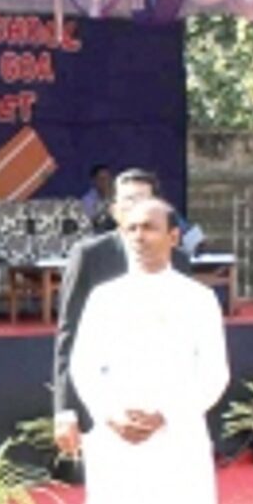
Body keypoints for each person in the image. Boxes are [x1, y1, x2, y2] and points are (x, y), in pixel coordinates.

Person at [70, 197, 229, 504]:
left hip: (175, 439)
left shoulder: (197, 300)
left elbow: (215, 374)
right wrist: (111, 414)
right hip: (118, 442)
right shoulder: (105, 297)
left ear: (173, 236)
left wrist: (167, 414)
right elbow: (83, 366)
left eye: (149, 228)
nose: (139, 236)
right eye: (131, 228)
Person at [53, 167, 191, 455]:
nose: (135, 209)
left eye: (143, 200)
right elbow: (70, 334)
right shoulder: (89, 256)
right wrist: (65, 411)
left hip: (167, 409)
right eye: (127, 201)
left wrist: (175, 408)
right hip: (109, 406)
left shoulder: (178, 260)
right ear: (115, 210)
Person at [79, 163, 114, 231]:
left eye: (108, 178)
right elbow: (93, 222)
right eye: (102, 179)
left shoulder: (121, 194)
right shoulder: (88, 200)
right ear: (94, 181)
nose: (106, 182)